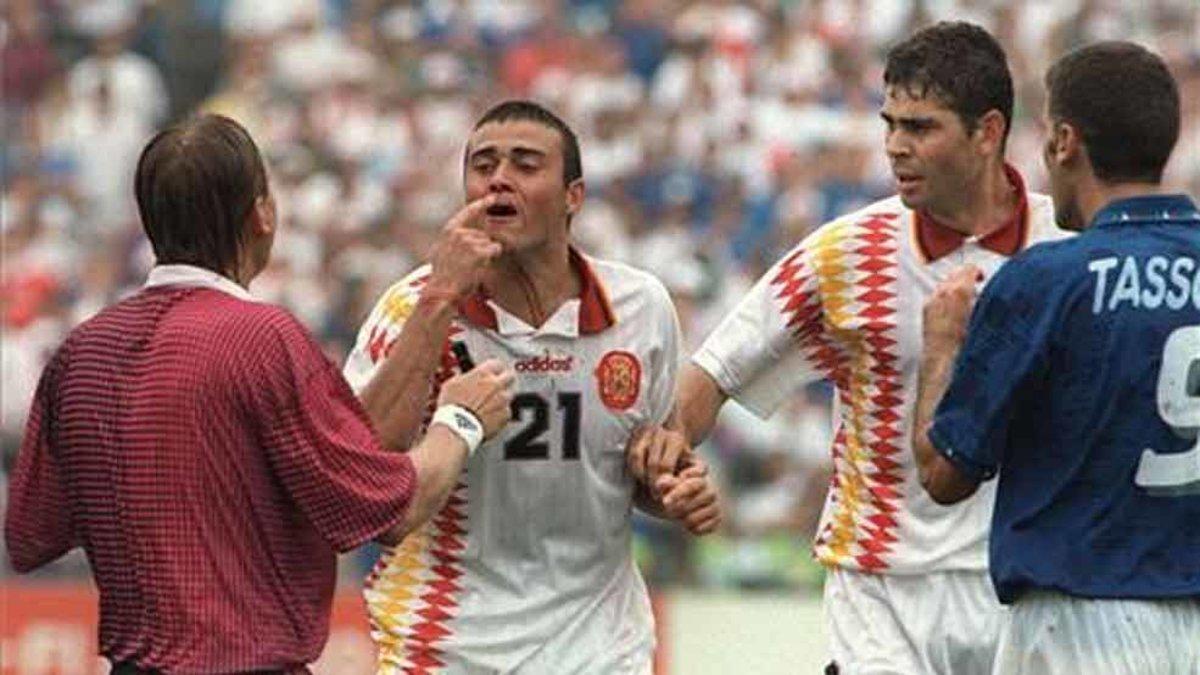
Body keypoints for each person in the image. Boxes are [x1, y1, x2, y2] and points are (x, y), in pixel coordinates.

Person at [628, 21, 1071, 673]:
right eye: (889, 124)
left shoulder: (1067, 248)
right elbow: (715, 372)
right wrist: (670, 459)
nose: (895, 147)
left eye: (920, 127)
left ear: (987, 131)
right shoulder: (847, 253)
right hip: (878, 589)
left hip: (1020, 583)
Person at [4, 114, 516, 674]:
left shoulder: (82, 353)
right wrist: (460, 420)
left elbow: (32, 535)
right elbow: (388, 509)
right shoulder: (260, 339)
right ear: (263, 216)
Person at [343, 100, 721, 674]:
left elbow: (643, 466)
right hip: (447, 643)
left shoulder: (641, 309)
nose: (499, 178)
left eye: (525, 164)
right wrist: (440, 300)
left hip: (601, 645)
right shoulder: (413, 306)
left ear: (574, 196)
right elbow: (355, 465)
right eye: (483, 165)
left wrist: (671, 486)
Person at [913, 41, 1200, 674]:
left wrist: (940, 347)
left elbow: (943, 473)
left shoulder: (1046, 280)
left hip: (1080, 622)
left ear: (1066, 141)